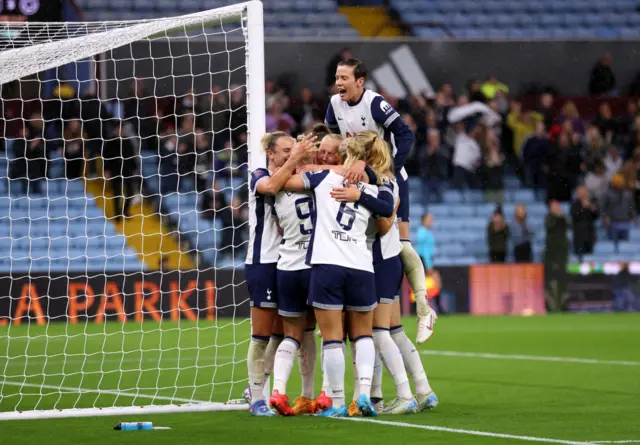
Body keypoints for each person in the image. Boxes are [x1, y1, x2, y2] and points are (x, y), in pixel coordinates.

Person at [277, 135, 395, 418]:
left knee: (332, 337)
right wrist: (361, 193)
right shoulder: (378, 185)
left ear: (344, 156)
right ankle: (363, 395)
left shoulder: (322, 178)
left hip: (328, 265)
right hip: (361, 266)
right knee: (363, 335)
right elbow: (389, 209)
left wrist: (295, 162)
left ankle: (339, 402)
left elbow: (280, 185)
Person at [324, 58, 435, 344]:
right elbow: (332, 138)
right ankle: (376, 304)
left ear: (360, 81)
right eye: (337, 77)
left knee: (401, 243)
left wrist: (390, 171)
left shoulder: (374, 104)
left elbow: (405, 134)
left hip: (384, 179)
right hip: (356, 178)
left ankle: (424, 307)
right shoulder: (334, 105)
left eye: (344, 78)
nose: (339, 83)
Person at [358, 133, 438, 415]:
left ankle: (399, 395)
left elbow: (384, 224)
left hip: (380, 258)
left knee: (376, 332)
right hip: (390, 256)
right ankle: (423, 389)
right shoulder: (392, 176)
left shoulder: (379, 181)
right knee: (394, 331)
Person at [244, 131, 316, 416]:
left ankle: (264, 388)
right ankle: (256, 399)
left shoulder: (298, 176)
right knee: (261, 335)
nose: (290, 153)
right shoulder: (259, 174)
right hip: (264, 261)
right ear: (271, 153)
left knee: (283, 334)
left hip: (293, 262)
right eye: (285, 150)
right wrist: (296, 159)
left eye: (293, 149)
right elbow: (272, 186)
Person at [571, 185, 599, 261]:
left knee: (589, 257)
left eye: (584, 192)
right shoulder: (575, 204)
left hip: (590, 234)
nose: (583, 194)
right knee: (578, 257)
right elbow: (575, 215)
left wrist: (591, 207)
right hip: (579, 235)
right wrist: (583, 208)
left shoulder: (592, 202)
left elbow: (596, 216)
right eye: (580, 192)